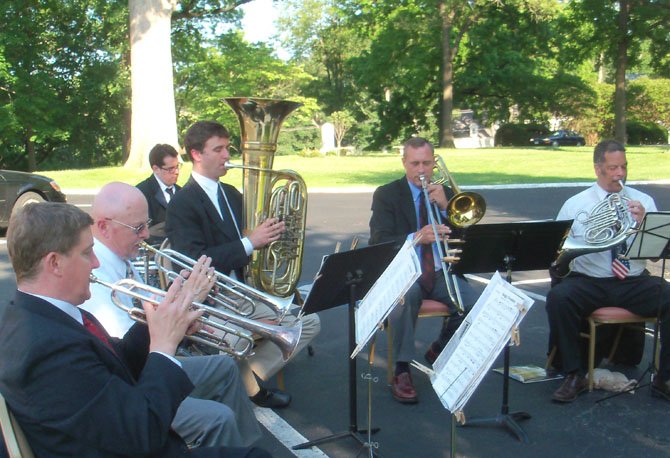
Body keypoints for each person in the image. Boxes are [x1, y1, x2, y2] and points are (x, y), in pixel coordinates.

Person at [0, 202, 269, 457]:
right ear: (54, 263)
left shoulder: (40, 316)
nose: (96, 263)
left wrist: (163, 325)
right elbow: (142, 432)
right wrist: (163, 347)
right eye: (86, 253)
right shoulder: (46, 348)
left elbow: (115, 363)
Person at [80, 182, 261, 448]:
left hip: (141, 365)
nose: (145, 235)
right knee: (217, 418)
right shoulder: (97, 271)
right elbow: (128, 348)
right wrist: (187, 300)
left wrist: (182, 308)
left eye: (146, 224)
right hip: (130, 378)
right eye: (137, 228)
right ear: (104, 226)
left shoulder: (121, 255)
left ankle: (245, 449)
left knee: (225, 367)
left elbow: (146, 310)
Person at [165, 120, 321, 409]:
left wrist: (277, 231)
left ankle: (244, 379)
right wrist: (251, 242)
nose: (227, 156)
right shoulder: (182, 204)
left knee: (309, 323)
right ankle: (248, 388)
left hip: (245, 292)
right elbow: (192, 264)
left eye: (227, 148)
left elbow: (253, 242)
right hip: (213, 299)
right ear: (196, 154)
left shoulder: (233, 194)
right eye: (219, 149)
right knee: (235, 342)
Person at [546, 139, 670, 403]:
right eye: (613, 168)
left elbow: (655, 250)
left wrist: (642, 223)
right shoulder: (575, 204)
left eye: (623, 167)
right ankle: (574, 374)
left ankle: (664, 377)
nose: (620, 174)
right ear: (597, 169)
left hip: (632, 281)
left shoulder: (643, 200)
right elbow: (557, 253)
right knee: (559, 298)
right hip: (590, 280)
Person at [369, 136, 478, 404]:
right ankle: (402, 369)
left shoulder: (450, 195)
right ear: (404, 162)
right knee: (406, 299)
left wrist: (445, 207)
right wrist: (416, 237)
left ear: (435, 164)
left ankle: (439, 347)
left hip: (441, 270)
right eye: (415, 163)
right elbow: (379, 240)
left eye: (427, 163)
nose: (421, 170)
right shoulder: (387, 194)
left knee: (473, 303)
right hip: (408, 270)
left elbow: (469, 237)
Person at [136, 143, 182, 245]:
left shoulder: (183, 193)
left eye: (177, 166)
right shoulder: (141, 193)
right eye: (171, 169)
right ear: (156, 169)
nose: (177, 172)